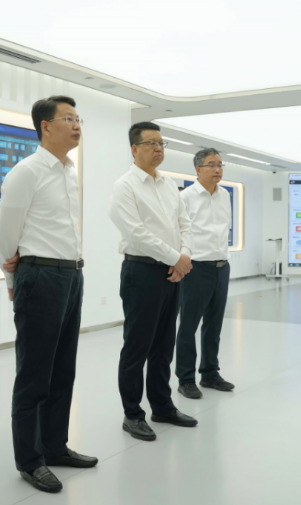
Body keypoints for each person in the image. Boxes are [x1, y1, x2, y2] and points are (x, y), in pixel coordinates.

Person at [0, 96, 97, 494]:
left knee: (62, 370)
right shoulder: (26, 172)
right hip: (39, 275)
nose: (76, 125)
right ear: (45, 126)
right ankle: (29, 460)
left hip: (71, 275)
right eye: (68, 118)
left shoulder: (68, 171)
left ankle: (55, 446)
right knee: (34, 373)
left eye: (78, 118)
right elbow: (7, 234)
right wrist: (12, 282)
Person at [109, 122, 198, 441]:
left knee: (163, 345)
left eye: (161, 143)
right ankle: (133, 414)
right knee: (137, 346)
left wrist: (183, 256)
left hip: (172, 272)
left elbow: (185, 225)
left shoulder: (168, 184)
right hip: (142, 272)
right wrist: (175, 257)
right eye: (151, 143)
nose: (159, 148)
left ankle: (162, 406)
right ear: (134, 149)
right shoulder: (125, 186)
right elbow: (136, 233)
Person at [175, 148, 235, 399]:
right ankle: (186, 378)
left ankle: (210, 373)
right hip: (195, 267)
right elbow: (178, 231)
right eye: (212, 164)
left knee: (214, 324)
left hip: (221, 266)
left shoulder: (224, 195)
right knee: (189, 325)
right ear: (198, 169)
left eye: (220, 164)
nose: (218, 169)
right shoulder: (185, 197)